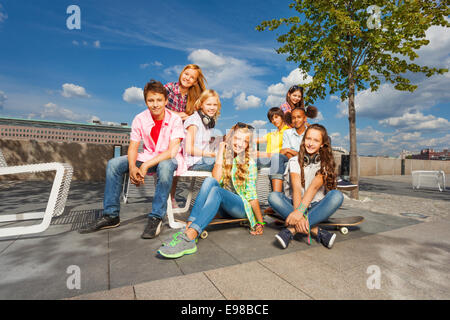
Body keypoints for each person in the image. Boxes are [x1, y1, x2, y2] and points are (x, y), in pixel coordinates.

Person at [79, 80, 186, 239]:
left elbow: (172, 151)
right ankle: (111, 215)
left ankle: (156, 217)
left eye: (159, 100)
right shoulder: (139, 119)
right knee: (114, 164)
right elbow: (133, 147)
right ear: (145, 101)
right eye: (151, 100)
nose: (155, 104)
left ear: (165, 101)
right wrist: (132, 166)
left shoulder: (175, 120)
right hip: (147, 156)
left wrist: (145, 166)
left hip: (169, 158)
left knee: (164, 166)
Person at [158, 122, 265, 259]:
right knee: (210, 181)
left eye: (245, 141)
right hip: (224, 206)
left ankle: (191, 235)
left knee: (217, 191)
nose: (239, 144)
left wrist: (259, 222)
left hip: (241, 208)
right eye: (237, 139)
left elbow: (252, 197)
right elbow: (216, 178)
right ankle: (189, 228)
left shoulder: (249, 163)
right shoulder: (226, 156)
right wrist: (220, 152)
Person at [268, 124, 344, 249]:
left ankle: (290, 231)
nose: (310, 143)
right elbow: (296, 188)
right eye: (308, 139)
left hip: (315, 205)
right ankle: (318, 231)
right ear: (304, 140)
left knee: (337, 196)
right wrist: (298, 212)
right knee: (273, 197)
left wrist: (298, 214)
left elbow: (313, 189)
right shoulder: (294, 161)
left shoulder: (325, 163)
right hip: (294, 204)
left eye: (316, 140)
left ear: (322, 144)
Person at [269, 107, 308, 193]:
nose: (296, 120)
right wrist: (294, 156)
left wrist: (290, 150)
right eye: (293, 118)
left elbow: (308, 155)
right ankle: (277, 195)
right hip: (291, 158)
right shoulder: (287, 133)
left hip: (305, 160)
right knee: (276, 157)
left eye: (299, 117)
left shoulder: (310, 132)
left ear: (304, 118)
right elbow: (284, 152)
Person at [183, 89, 222, 171]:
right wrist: (209, 154)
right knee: (221, 161)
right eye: (208, 104)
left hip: (202, 159)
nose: (212, 108)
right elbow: (188, 148)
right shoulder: (194, 122)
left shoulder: (206, 123)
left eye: (215, 105)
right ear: (201, 105)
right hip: (193, 163)